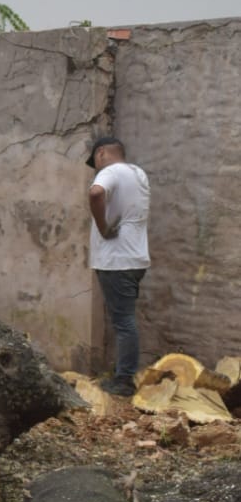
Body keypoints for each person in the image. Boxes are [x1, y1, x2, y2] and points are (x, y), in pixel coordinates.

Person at [87, 134, 150, 396]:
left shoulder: (111, 171)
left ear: (101, 152)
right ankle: (123, 375)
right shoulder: (138, 174)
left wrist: (102, 227)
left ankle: (124, 380)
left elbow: (96, 192)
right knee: (125, 320)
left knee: (123, 322)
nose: (97, 167)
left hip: (117, 261)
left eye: (96, 161)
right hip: (134, 258)